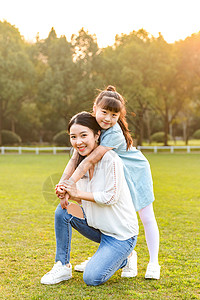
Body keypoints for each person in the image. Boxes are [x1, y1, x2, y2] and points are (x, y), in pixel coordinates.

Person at [56, 86, 160, 280]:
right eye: (104, 112)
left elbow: (88, 160)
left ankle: (153, 263)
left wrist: (70, 186)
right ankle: (114, 256)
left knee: (146, 216)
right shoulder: (89, 125)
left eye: (114, 115)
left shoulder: (113, 133)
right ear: (94, 108)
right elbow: (75, 158)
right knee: (103, 213)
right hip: (114, 168)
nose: (108, 118)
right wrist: (63, 185)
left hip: (134, 170)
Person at [41, 112, 139, 286]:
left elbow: (110, 198)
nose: (78, 142)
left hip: (120, 235)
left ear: (97, 134)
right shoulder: (79, 162)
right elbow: (85, 200)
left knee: (92, 278)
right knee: (63, 211)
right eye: (73, 137)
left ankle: (125, 257)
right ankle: (62, 265)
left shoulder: (111, 160)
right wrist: (66, 194)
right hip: (99, 227)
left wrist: (77, 194)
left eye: (83, 135)